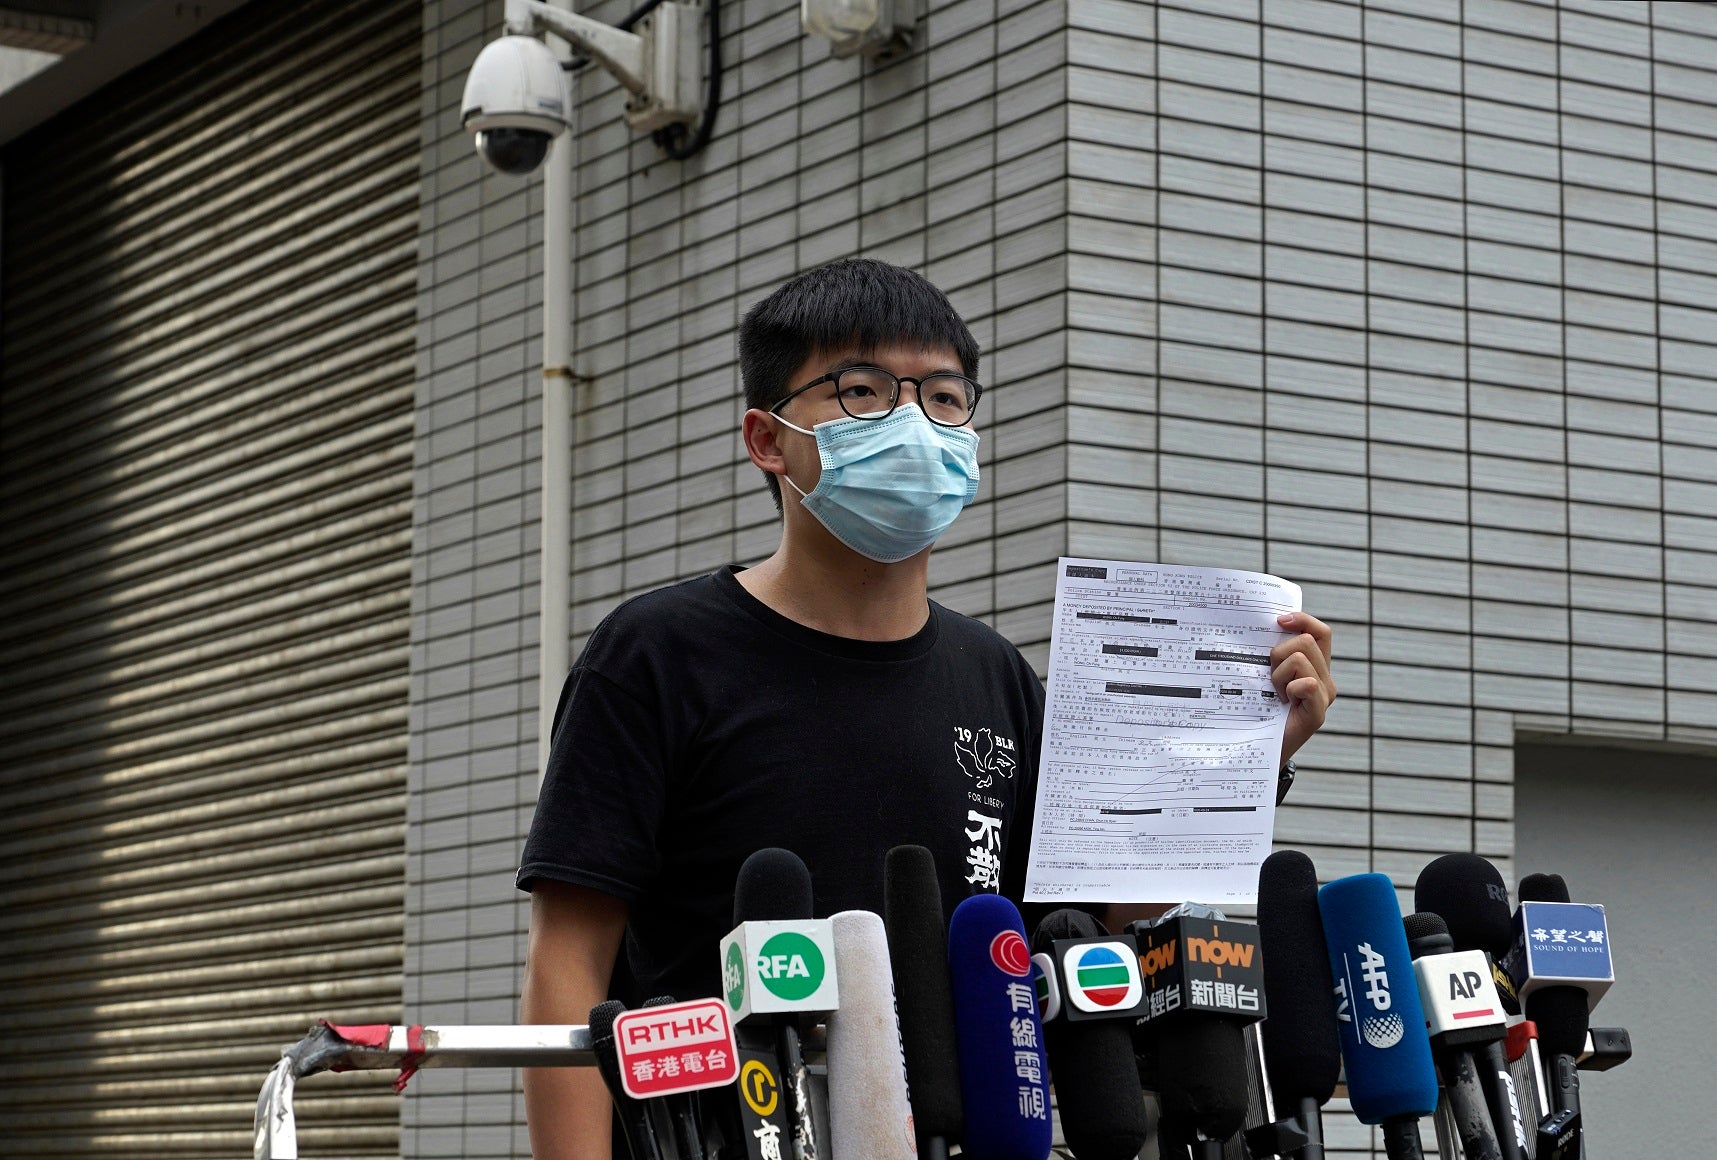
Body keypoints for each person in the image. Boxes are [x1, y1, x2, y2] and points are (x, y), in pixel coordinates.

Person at [516, 259, 1337, 1159]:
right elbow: (570, 960)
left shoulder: (994, 675)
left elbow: (1094, 926)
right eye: (861, 390)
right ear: (766, 437)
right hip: (724, 1131)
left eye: (944, 399)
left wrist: (1244, 755)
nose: (913, 423)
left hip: (971, 1131)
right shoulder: (657, 653)